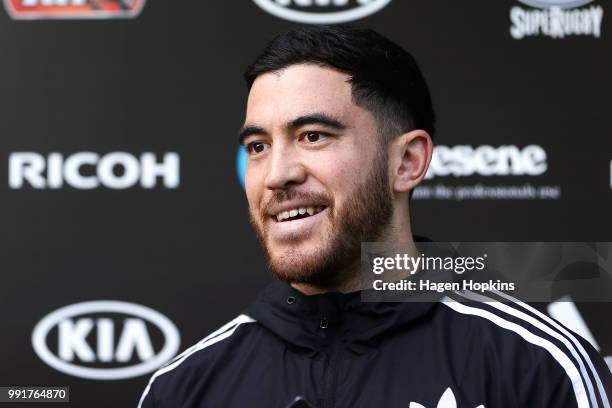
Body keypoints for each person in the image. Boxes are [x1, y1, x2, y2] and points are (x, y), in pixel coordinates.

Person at [138, 26, 611, 408]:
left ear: (407, 162)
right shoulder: (183, 388)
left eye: (313, 136)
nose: (276, 174)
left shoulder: (534, 364)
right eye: (258, 147)